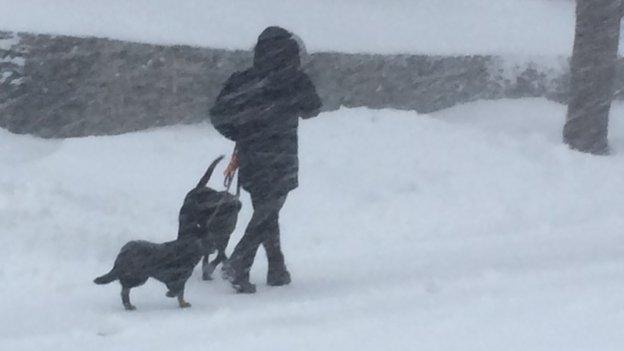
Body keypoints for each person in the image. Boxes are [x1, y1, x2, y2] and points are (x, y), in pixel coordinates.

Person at [209, 26, 322, 293]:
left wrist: (240, 132)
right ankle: (240, 262)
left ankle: (276, 267)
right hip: (281, 155)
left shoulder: (243, 80)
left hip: (250, 154)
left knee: (266, 209)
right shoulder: (293, 80)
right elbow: (312, 108)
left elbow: (218, 115)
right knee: (268, 209)